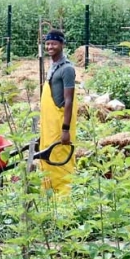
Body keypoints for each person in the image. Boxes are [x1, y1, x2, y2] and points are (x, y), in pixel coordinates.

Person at [39, 29, 78, 193]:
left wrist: (65, 129)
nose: (50, 47)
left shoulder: (67, 69)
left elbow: (68, 101)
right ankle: (50, 196)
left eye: (54, 43)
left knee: (60, 158)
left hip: (59, 125)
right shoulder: (53, 66)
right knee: (47, 157)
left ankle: (64, 198)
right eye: (47, 43)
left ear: (62, 44)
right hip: (49, 125)